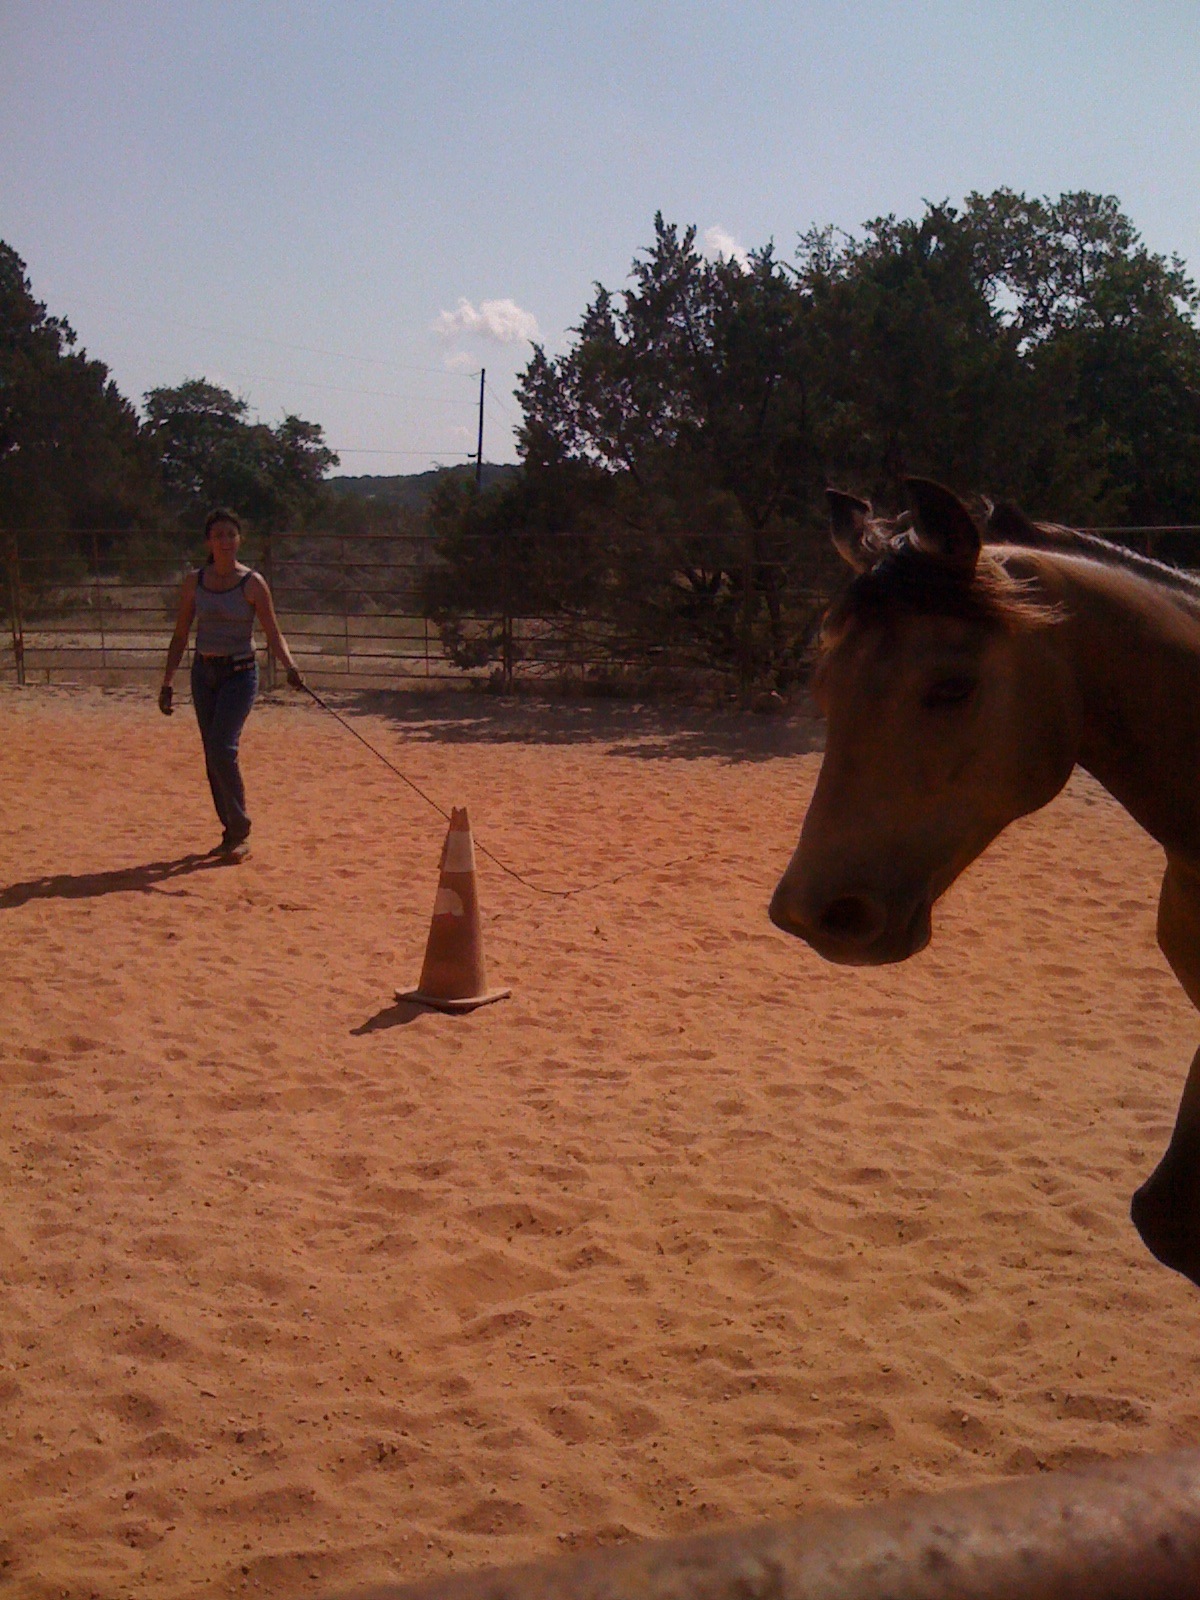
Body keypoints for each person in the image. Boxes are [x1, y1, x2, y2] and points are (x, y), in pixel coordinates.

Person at [159, 508, 304, 859]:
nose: (225, 541)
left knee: (222, 747)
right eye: (218, 535)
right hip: (203, 673)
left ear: (239, 540)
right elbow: (180, 634)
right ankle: (230, 832)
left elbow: (273, 632)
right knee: (212, 754)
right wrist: (167, 681)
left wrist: (291, 666)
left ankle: (240, 831)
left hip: (239, 674)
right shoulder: (195, 582)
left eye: (230, 534)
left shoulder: (252, 583)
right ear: (208, 542)